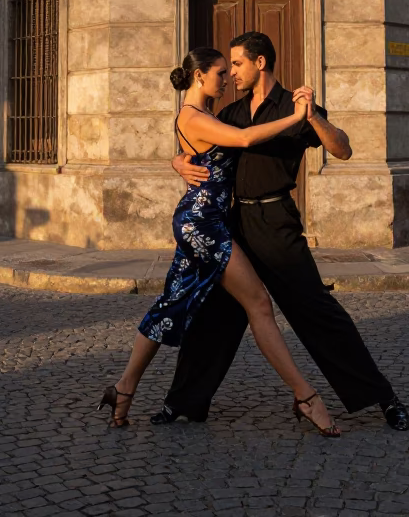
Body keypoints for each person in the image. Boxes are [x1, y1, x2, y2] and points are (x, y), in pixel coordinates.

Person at [151, 31, 409, 431]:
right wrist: (176, 162)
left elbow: (342, 149)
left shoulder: (296, 105)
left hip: (278, 224)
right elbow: (200, 140)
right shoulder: (234, 113)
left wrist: (314, 117)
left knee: (318, 314)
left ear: (260, 63)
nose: (232, 72)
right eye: (228, 66)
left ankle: (383, 398)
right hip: (236, 226)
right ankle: (181, 402)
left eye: (237, 64)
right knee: (215, 316)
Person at [98, 47, 341, 437]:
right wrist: (296, 117)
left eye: (230, 72)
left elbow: (198, 154)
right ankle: (306, 396)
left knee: (169, 306)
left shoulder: (205, 116)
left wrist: (176, 160)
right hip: (203, 224)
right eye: (220, 73)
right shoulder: (194, 115)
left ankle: (122, 390)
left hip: (203, 220)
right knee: (259, 303)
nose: (226, 79)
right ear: (199, 77)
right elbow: (244, 139)